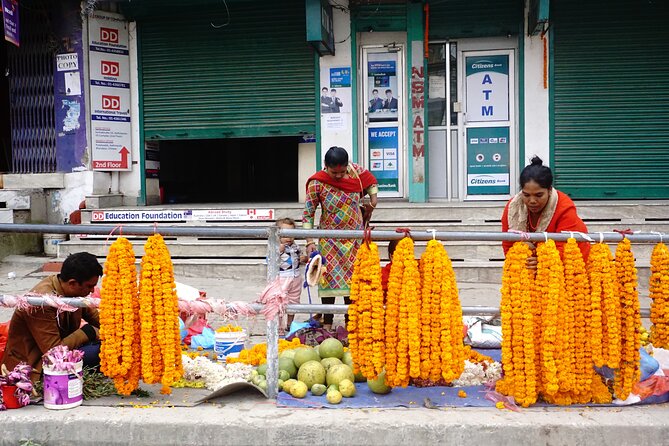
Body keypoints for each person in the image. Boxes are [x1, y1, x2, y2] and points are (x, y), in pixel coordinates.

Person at [303, 146, 379, 330]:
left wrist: (373, 200)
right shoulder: (317, 183)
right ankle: (327, 325)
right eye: (333, 172)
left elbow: (371, 183)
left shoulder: (356, 173)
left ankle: (350, 324)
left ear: (347, 166)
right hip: (329, 239)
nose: (338, 176)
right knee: (328, 280)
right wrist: (310, 241)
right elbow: (308, 213)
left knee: (353, 282)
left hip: (354, 239)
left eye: (341, 172)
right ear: (325, 166)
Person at [1, 252, 103, 382]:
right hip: (35, 365)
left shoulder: (71, 291)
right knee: (101, 353)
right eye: (90, 286)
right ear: (72, 283)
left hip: (61, 350)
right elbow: (54, 351)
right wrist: (88, 332)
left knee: (113, 346)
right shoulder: (40, 301)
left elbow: (96, 318)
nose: (93, 291)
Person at [501, 156, 590, 268]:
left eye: (539, 195)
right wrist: (517, 262)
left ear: (549, 190)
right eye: (526, 195)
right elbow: (508, 243)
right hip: (530, 265)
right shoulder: (513, 208)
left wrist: (542, 261)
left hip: (570, 265)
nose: (532, 201)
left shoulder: (564, 207)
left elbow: (565, 247)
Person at [275, 217, 307, 333]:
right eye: (285, 235)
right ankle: (279, 325)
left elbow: (299, 258)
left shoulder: (296, 246)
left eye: (291, 234)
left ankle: (290, 324)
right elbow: (269, 260)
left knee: (294, 300)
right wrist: (278, 251)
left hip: (296, 277)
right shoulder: (275, 246)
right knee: (280, 301)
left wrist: (304, 258)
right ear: (278, 235)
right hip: (282, 278)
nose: (288, 238)